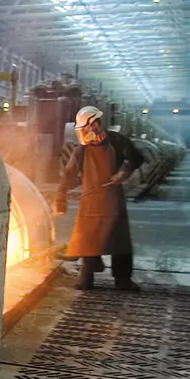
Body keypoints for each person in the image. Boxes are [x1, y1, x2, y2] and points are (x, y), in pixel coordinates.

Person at [55, 106, 145, 291]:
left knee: (119, 241)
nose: (92, 132)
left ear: (97, 124)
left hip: (114, 200)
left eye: (92, 126)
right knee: (87, 239)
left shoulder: (118, 141)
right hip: (91, 201)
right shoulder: (81, 151)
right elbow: (68, 175)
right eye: (86, 130)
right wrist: (60, 200)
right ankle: (87, 276)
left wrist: (124, 171)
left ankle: (122, 279)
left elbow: (137, 157)